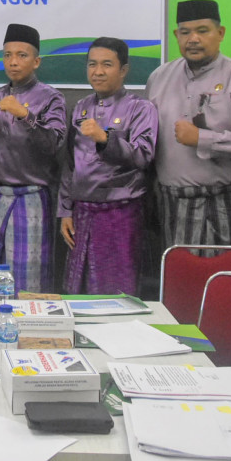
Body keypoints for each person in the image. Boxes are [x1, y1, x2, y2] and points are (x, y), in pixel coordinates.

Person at [146, 0, 231, 260]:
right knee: (181, 289)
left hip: (227, 202)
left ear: (221, 33)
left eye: (202, 30)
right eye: (185, 32)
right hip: (174, 205)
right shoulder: (159, 79)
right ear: (176, 35)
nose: (193, 39)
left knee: (229, 288)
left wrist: (202, 138)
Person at [60, 37, 159, 294]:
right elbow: (70, 164)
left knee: (117, 292)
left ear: (124, 69)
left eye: (107, 64)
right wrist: (65, 211)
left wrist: (105, 138)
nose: (98, 71)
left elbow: (143, 155)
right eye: (92, 64)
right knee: (78, 291)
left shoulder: (141, 108)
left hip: (120, 215)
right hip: (82, 214)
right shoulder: (81, 107)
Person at [0, 23, 67, 293]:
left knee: (27, 277)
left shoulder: (50, 97)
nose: (13, 62)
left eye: (21, 55)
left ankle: (30, 331)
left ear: (36, 61)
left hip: (31, 197)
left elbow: (54, 143)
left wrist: (24, 115)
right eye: (7, 55)